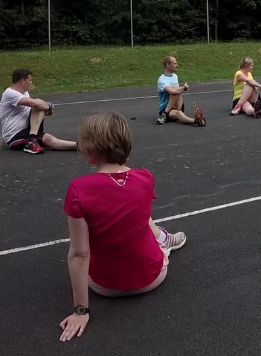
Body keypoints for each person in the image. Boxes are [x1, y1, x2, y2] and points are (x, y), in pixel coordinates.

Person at [59, 112, 187, 342]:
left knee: (126, 214)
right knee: (137, 211)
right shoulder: (145, 177)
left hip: (105, 286)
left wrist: (81, 310)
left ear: (92, 148)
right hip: (153, 278)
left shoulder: (79, 189)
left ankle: (164, 240)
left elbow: (79, 254)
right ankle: (165, 241)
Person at [0, 68, 77, 154]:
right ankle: (31, 140)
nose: (31, 82)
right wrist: (49, 106)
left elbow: (34, 108)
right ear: (22, 81)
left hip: (28, 130)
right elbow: (35, 104)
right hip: (15, 136)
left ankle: (80, 146)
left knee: (48, 138)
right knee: (38, 106)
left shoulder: (24, 93)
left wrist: (44, 111)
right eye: (29, 80)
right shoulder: (9, 93)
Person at [156, 56, 205, 126]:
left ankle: (166, 114)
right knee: (178, 113)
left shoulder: (175, 76)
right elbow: (172, 91)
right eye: (175, 63)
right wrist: (183, 87)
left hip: (177, 105)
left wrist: (181, 88)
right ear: (168, 65)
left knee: (176, 89)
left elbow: (177, 92)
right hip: (165, 107)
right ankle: (195, 121)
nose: (177, 65)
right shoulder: (161, 79)